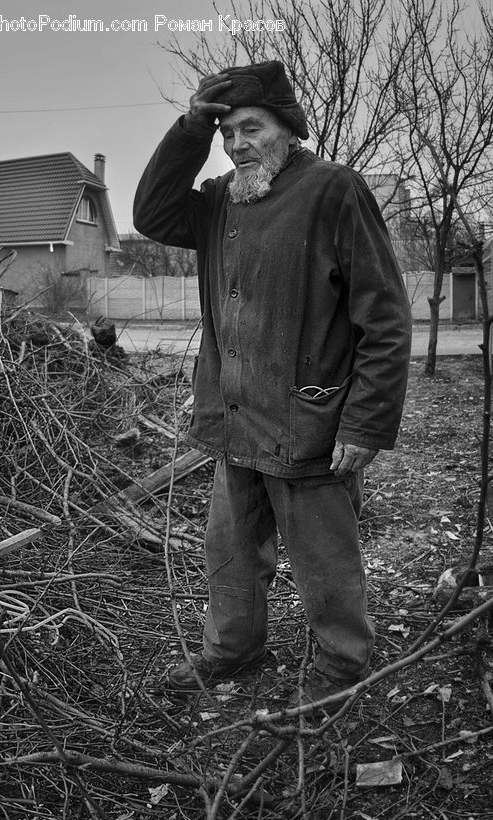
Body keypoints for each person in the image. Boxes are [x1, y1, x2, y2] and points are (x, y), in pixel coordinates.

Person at [133, 60, 412, 712]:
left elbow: (385, 320)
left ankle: (342, 669)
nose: (237, 145)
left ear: (288, 131)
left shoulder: (332, 191)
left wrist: (364, 424)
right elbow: (149, 215)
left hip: (307, 425)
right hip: (234, 418)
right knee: (228, 551)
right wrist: (189, 126)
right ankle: (232, 651)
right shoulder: (220, 201)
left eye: (250, 128)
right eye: (226, 132)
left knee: (323, 562)